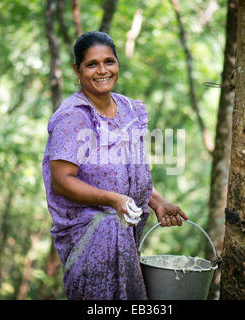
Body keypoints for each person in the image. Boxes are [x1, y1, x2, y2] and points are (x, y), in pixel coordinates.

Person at [42, 31, 188, 300]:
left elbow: (129, 175)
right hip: (91, 241)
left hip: (125, 236)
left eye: (109, 61)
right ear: (77, 69)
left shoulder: (128, 109)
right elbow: (62, 181)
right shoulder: (73, 116)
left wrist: (157, 202)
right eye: (91, 64)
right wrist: (112, 200)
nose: (102, 70)